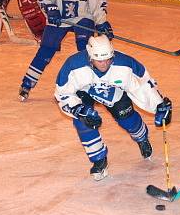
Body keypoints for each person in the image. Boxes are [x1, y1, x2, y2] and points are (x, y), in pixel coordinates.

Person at [54, 35, 172, 181]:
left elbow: (143, 84)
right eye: (99, 60)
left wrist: (158, 104)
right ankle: (99, 160)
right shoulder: (74, 64)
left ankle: (141, 137)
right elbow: (62, 92)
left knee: (127, 119)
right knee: (83, 121)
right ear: (90, 57)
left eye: (108, 59)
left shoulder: (125, 64)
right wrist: (77, 109)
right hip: (84, 91)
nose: (104, 64)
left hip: (113, 90)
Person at [18, 0, 113, 101]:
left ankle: (89, 85)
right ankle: (27, 84)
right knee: (46, 50)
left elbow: (98, 4)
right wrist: (50, 9)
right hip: (58, 19)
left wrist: (102, 23)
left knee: (85, 49)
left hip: (83, 18)